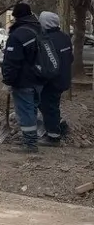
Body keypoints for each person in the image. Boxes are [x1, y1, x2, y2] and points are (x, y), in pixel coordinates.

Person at [2, 3, 45, 153]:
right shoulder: (37, 30)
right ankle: (31, 139)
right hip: (39, 79)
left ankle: (30, 144)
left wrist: (8, 81)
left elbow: (12, 62)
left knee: (25, 111)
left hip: (24, 80)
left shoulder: (18, 35)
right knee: (31, 109)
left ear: (16, 16)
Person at [37, 11, 74, 146]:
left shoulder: (47, 40)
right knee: (52, 103)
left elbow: (45, 62)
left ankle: (53, 137)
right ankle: (57, 126)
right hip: (64, 78)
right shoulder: (65, 37)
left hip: (52, 80)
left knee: (48, 105)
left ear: (45, 23)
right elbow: (70, 58)